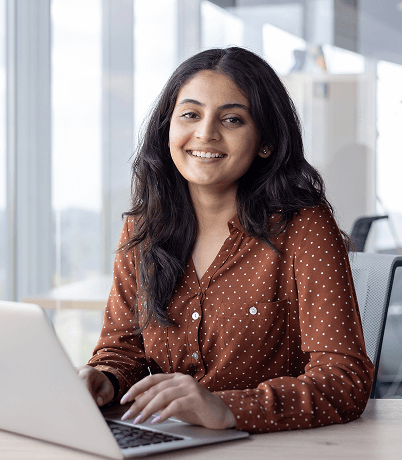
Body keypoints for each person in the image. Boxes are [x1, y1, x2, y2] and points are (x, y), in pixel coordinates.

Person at [77, 47, 374, 433]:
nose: (205, 133)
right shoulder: (145, 228)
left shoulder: (304, 227)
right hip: (167, 441)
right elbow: (122, 349)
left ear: (265, 140)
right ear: (169, 128)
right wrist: (105, 378)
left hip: (272, 452)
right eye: (190, 114)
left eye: (232, 119)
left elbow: (345, 380)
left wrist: (226, 408)